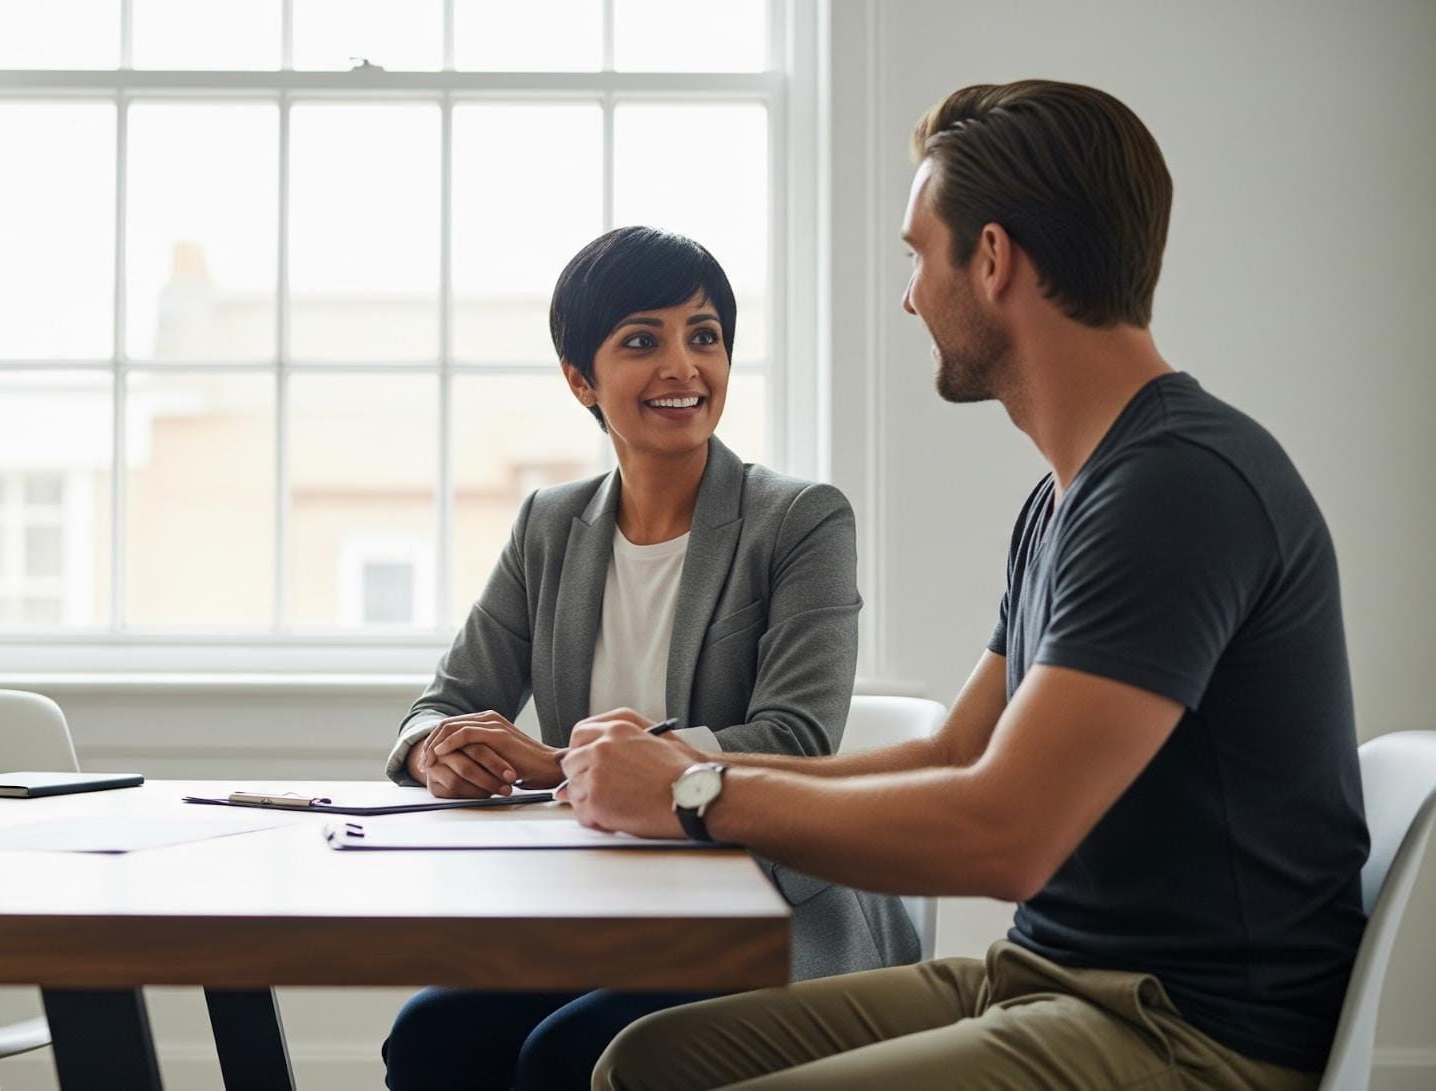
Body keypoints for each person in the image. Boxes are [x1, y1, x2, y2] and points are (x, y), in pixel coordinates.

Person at [563, 81, 1370, 1091]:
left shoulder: (1177, 488)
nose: (908, 294)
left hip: (1185, 1033)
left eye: (916, 252)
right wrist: (677, 761)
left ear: (990, 260)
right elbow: (954, 751)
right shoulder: (1071, 495)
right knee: (644, 1062)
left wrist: (695, 792)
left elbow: (1005, 835)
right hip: (1047, 978)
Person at [379, 226, 918, 1091]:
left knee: (565, 1053)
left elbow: (795, 739)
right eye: (642, 340)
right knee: (434, 1034)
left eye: (702, 336)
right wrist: (437, 748)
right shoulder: (549, 525)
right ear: (580, 379)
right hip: (610, 915)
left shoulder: (800, 519)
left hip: (768, 912)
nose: (682, 366)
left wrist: (560, 763)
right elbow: (441, 701)